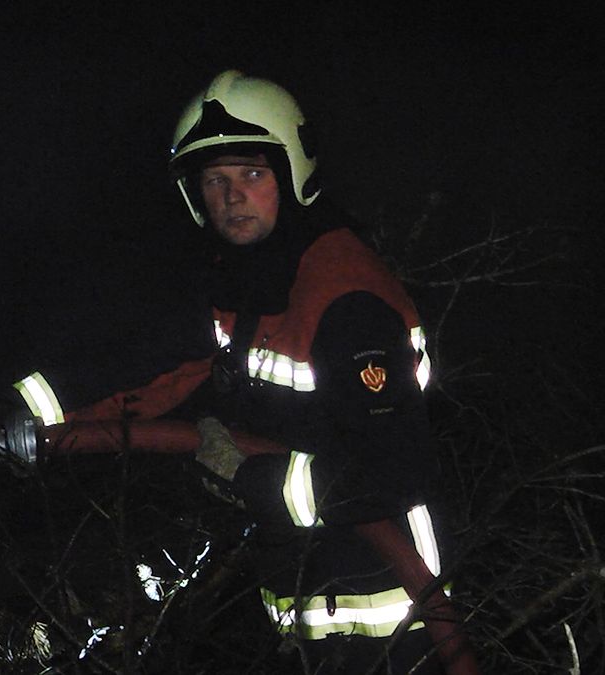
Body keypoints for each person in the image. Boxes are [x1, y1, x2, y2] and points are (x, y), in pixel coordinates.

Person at [34, 70, 449, 672]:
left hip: (396, 616)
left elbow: (394, 468)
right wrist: (15, 426)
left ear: (290, 173)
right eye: (214, 180)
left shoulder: (345, 296)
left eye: (251, 175)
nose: (231, 197)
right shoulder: (247, 281)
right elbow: (157, 373)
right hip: (302, 600)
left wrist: (252, 476)